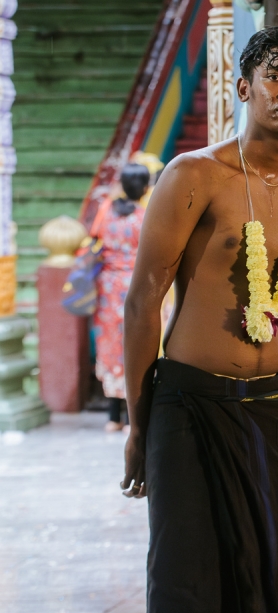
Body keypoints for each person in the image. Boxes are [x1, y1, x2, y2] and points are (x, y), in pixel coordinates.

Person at [121, 26, 278, 613]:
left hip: (274, 406)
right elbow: (143, 300)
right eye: (275, 75)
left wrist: (273, 366)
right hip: (189, 406)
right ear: (245, 87)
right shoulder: (194, 175)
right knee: (186, 580)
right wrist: (140, 426)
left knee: (277, 569)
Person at [92, 162, 150, 432]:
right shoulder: (144, 217)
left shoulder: (107, 212)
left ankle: (112, 417)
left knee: (111, 345)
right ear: (145, 187)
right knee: (135, 344)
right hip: (135, 286)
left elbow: (94, 240)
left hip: (108, 286)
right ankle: (131, 419)